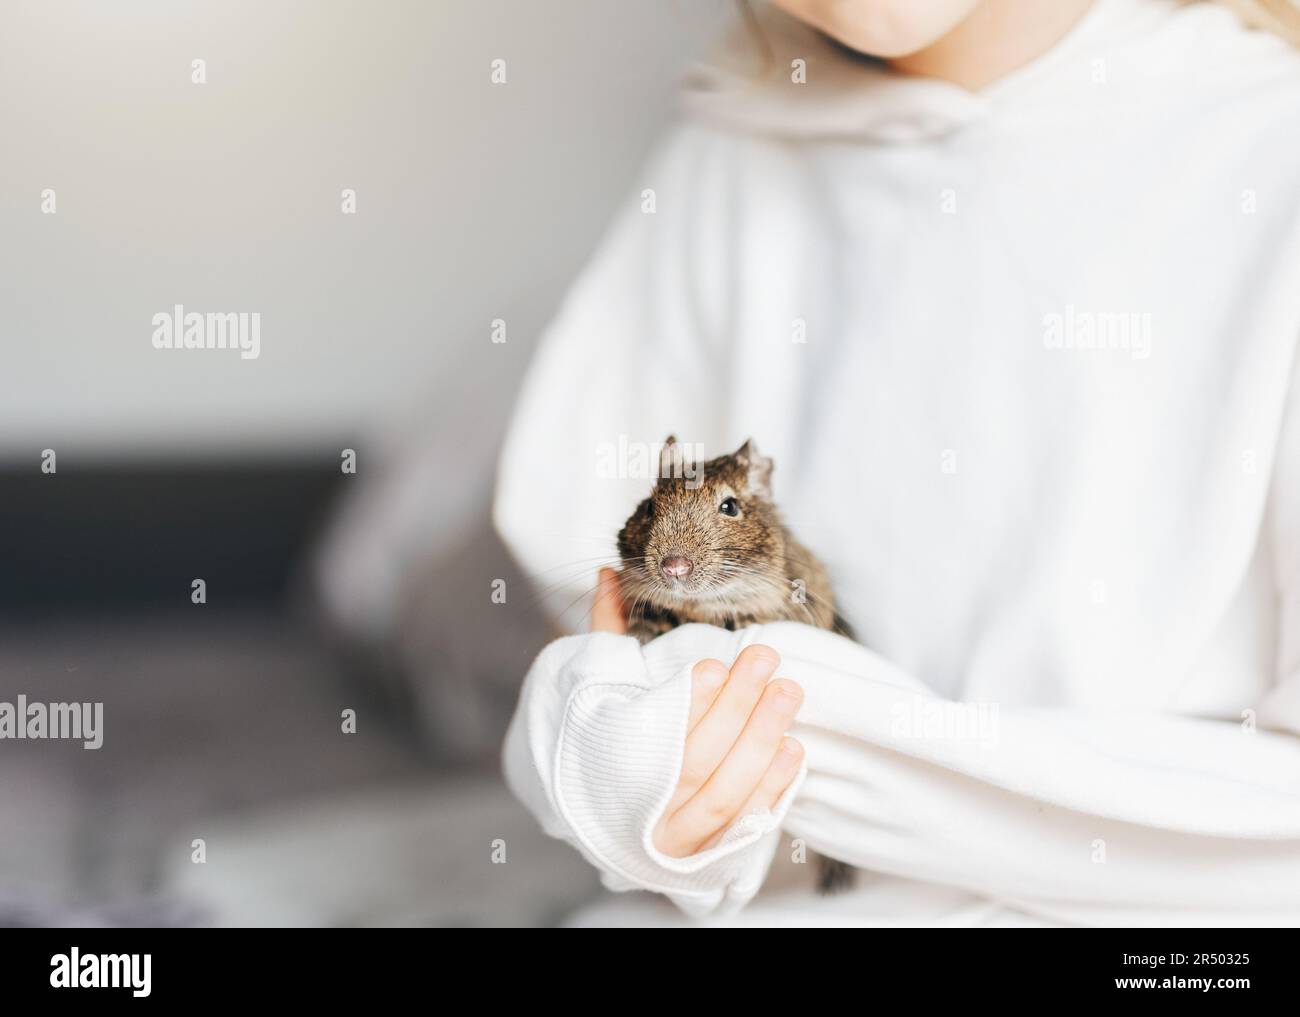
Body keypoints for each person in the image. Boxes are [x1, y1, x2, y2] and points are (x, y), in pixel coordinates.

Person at [494, 0, 1300, 925]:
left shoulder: (1270, 153)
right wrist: (636, 783)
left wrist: (828, 741)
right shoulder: (723, 156)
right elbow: (601, 706)